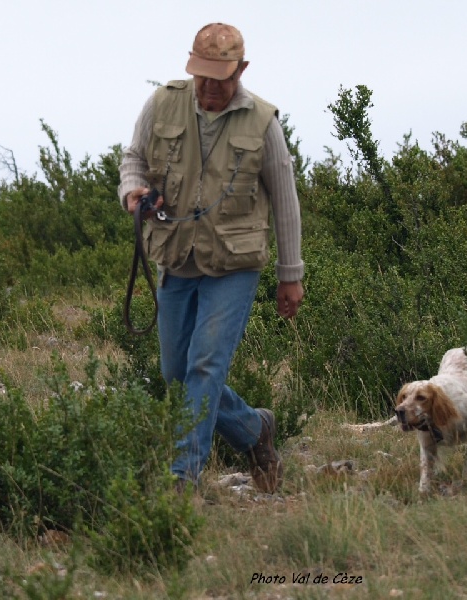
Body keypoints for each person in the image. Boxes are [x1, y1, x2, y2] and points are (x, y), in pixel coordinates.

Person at [117, 22, 304, 494]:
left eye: (220, 78)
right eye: (202, 77)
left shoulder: (263, 121)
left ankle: (183, 479)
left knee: (205, 365)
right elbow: (133, 158)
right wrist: (133, 193)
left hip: (234, 266)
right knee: (176, 374)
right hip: (176, 257)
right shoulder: (163, 101)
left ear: (241, 70)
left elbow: (285, 200)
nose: (209, 88)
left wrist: (290, 275)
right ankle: (254, 429)